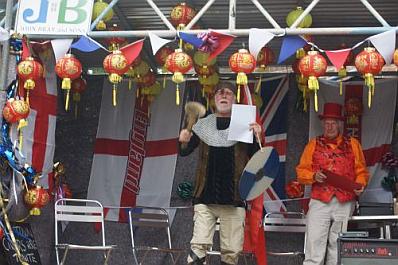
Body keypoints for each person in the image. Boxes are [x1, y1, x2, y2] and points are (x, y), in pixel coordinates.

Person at [179, 81, 262, 265]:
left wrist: (257, 137)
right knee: (198, 246)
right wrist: (183, 141)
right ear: (213, 98)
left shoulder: (243, 124)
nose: (223, 96)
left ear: (234, 99)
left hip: (233, 197)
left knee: (231, 252)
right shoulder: (202, 124)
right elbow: (184, 151)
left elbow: (257, 158)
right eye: (219, 93)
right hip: (204, 197)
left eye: (228, 93)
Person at [296, 102, 369, 265]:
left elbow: (361, 171)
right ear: (323, 124)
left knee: (337, 245)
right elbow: (301, 171)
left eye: (333, 123)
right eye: (326, 123)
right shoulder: (313, 144)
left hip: (344, 201)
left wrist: (360, 185)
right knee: (314, 243)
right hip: (319, 200)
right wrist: (314, 176)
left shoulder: (353, 144)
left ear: (339, 124)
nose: (329, 127)